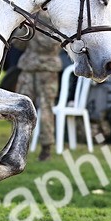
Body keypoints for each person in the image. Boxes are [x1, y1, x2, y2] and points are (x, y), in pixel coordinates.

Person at [15, 24, 64, 160]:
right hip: (43, 68)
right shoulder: (55, 20)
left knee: (23, 109)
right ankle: (44, 148)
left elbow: (19, 42)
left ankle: (20, 145)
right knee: (44, 108)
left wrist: (30, 29)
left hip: (35, 67)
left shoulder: (34, 19)